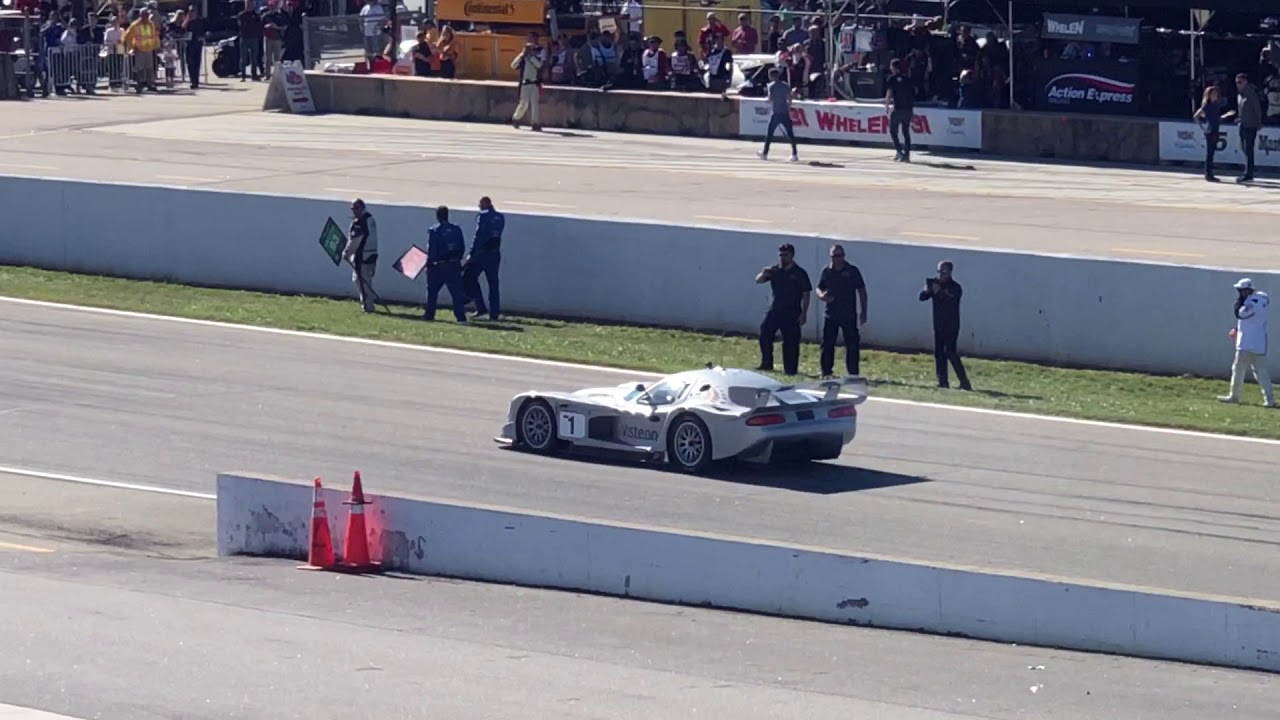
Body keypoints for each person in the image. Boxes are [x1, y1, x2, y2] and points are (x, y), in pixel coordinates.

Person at [755, 242, 812, 375]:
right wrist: (763, 273)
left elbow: (806, 294)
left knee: (790, 342)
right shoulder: (775, 270)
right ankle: (766, 363)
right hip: (775, 310)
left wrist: (804, 313)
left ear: (792, 255)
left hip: (792, 312)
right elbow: (758, 280)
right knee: (764, 334)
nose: (782, 258)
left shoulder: (800, 273)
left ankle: (790, 369)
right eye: (780, 255)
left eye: (785, 255)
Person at [1217, 278, 1274, 407]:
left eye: (1242, 291)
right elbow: (1252, 319)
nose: (1240, 293)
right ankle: (1269, 399)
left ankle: (1234, 396)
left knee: (1238, 370)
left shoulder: (1249, 303)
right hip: (1259, 344)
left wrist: (1241, 302)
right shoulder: (1261, 299)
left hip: (1246, 343)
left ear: (1248, 290)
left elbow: (1241, 314)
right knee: (1261, 373)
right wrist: (1238, 328)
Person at [816, 243, 868, 378]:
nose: (837, 259)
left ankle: (853, 373)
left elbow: (862, 291)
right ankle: (826, 371)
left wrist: (864, 311)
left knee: (852, 344)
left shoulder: (852, 271)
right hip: (831, 313)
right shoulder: (826, 271)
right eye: (834, 256)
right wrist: (822, 295)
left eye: (839, 256)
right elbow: (819, 287)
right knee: (827, 344)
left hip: (848, 314)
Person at [919, 260, 971, 390]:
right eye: (939, 271)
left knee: (951, 352)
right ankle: (943, 381)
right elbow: (922, 298)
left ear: (950, 272)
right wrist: (927, 290)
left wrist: (940, 291)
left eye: (944, 271)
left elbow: (951, 300)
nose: (941, 274)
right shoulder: (935, 284)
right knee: (939, 353)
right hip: (938, 323)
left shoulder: (955, 287)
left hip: (951, 325)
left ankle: (964, 381)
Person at [463, 196, 505, 320]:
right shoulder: (500, 217)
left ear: (484, 205)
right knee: (493, 284)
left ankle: (481, 308)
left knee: (470, 278)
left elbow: (478, 236)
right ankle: (494, 312)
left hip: (482, 254)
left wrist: (471, 253)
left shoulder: (483, 217)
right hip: (495, 253)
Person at [425, 205, 468, 323]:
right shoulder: (456, 229)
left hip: (438, 266)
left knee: (432, 292)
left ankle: (429, 315)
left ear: (438, 216)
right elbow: (462, 247)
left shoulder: (434, 230)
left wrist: (428, 264)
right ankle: (461, 317)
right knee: (456, 293)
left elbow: (432, 250)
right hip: (454, 265)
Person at [756, 67, 798, 162]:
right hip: (784, 112)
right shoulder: (785, 85)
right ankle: (794, 154)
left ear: (771, 76)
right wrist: (788, 106)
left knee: (769, 134)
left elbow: (770, 99)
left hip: (775, 113)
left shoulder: (771, 86)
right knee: (790, 134)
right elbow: (790, 97)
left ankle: (765, 153)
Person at [1193, 85, 1234, 182]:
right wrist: (1203, 126)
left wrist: (1226, 115)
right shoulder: (1207, 105)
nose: (1215, 95)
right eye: (1213, 94)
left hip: (1215, 129)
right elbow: (1196, 116)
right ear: (1209, 95)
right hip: (1210, 130)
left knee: (1212, 152)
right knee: (1210, 153)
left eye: (1216, 93)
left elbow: (1216, 118)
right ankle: (1208, 174)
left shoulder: (1216, 105)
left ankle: (1210, 173)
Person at [346, 199, 379, 313]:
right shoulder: (370, 219)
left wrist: (347, 253)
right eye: (353, 209)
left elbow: (355, 240)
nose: (354, 211)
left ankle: (368, 306)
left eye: (356, 208)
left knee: (361, 282)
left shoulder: (360, 222)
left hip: (362, 257)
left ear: (362, 208)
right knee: (366, 281)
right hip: (372, 255)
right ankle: (368, 304)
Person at [1234, 73, 1262, 183]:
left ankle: (1248, 173)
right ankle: (1249, 169)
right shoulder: (1240, 94)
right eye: (1236, 83)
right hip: (1242, 124)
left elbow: (1257, 109)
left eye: (1240, 82)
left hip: (1251, 124)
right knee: (1243, 147)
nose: (1238, 85)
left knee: (1249, 148)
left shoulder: (1251, 93)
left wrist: (1259, 122)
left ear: (1245, 82)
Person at [885, 57, 914, 162]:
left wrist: (887, 106)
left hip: (898, 109)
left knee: (893, 131)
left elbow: (889, 94)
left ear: (893, 67)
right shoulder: (907, 79)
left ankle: (899, 151)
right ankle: (907, 154)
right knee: (906, 132)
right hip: (908, 109)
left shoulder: (891, 79)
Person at [511, 42, 544, 131]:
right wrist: (521, 55)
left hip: (534, 84)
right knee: (523, 103)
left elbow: (539, 65)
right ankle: (516, 118)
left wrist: (531, 57)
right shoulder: (522, 58)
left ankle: (535, 123)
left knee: (534, 104)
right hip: (525, 84)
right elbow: (513, 65)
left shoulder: (535, 58)